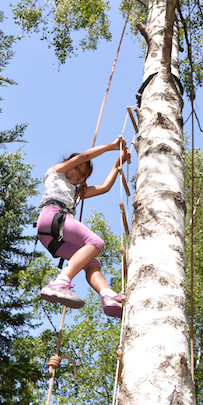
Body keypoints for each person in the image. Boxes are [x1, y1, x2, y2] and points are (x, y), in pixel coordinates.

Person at [37, 136, 131, 318]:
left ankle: (108, 296)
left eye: (84, 175)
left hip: (51, 237)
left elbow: (104, 187)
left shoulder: (75, 192)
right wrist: (112, 146)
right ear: (67, 163)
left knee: (92, 262)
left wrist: (117, 164)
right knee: (95, 242)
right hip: (53, 216)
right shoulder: (56, 172)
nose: (79, 174)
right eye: (78, 167)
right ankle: (60, 282)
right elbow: (85, 155)